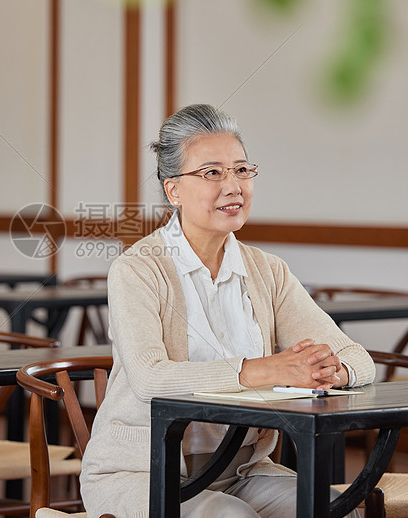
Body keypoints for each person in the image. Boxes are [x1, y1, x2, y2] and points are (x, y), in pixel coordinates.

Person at [79, 104, 375, 517]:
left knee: (338, 509)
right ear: (173, 191)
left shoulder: (267, 270)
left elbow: (357, 358)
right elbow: (151, 379)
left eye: (241, 170)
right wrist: (265, 369)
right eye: (212, 173)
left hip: (242, 472)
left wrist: (332, 371)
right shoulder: (137, 269)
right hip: (141, 474)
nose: (233, 186)